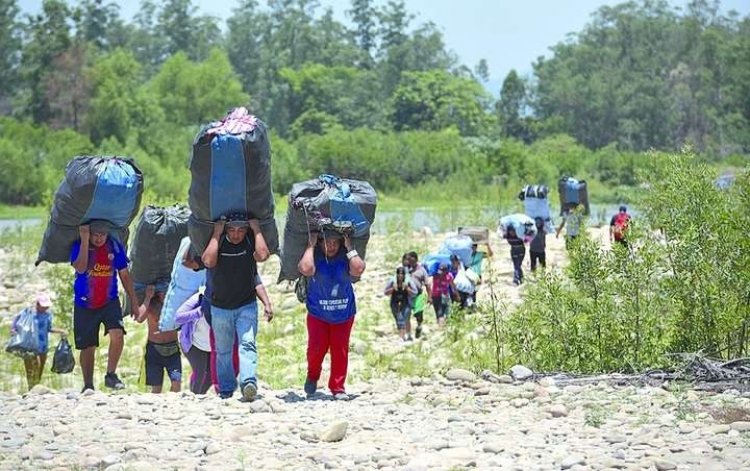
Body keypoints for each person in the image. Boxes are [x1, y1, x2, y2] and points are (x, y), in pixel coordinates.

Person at [201, 214, 273, 400]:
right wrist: (217, 232)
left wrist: (256, 229)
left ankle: (248, 381)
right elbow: (208, 261)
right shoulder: (219, 243)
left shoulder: (249, 242)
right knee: (223, 350)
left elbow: (263, 257)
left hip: (246, 305)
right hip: (220, 307)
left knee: (247, 343)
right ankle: (226, 388)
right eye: (232, 230)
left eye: (241, 230)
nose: (236, 234)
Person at [71, 221, 139, 392]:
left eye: (103, 235)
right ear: (89, 233)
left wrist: (134, 301)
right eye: (95, 235)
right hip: (84, 303)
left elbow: (124, 274)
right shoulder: (79, 245)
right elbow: (80, 268)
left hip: (110, 301)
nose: (100, 238)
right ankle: (88, 385)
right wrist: (85, 240)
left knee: (118, 334)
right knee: (88, 346)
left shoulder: (114, 246)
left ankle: (111, 375)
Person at [298, 231, 365, 400]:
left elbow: (358, 270)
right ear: (321, 243)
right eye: (327, 242)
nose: (332, 246)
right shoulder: (315, 255)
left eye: (335, 242)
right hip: (318, 313)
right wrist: (310, 245)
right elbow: (306, 269)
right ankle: (313, 375)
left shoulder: (346, 255)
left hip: (344, 313)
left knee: (340, 350)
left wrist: (350, 247)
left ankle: (337, 387)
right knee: (316, 349)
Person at [10, 293, 67, 390]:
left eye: (46, 306)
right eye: (43, 306)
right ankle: (31, 387)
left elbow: (49, 328)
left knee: (40, 367)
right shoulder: (28, 313)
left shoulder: (48, 315)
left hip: (43, 345)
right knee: (33, 365)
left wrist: (61, 331)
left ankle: (36, 386)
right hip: (29, 344)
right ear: (37, 304)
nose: (45, 308)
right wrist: (13, 329)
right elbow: (17, 320)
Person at [137, 285, 181, 393]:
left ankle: (173, 406)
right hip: (154, 351)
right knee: (156, 387)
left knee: (176, 383)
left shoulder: (175, 304)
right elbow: (139, 318)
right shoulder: (151, 305)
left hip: (173, 351)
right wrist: (148, 297)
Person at [174, 290, 212, 394]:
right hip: (192, 342)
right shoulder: (198, 299)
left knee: (212, 374)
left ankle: (200, 395)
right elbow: (178, 317)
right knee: (200, 371)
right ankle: (195, 397)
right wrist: (198, 312)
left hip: (211, 345)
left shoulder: (226, 301)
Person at [384, 266, 416, 342]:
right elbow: (385, 292)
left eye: (402, 274)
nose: (400, 276)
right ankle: (403, 335)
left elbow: (415, 292)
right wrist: (392, 289)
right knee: (398, 319)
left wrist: (408, 289)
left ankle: (402, 336)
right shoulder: (392, 281)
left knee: (403, 318)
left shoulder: (408, 282)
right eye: (399, 274)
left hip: (406, 302)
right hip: (395, 302)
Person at [405, 252, 430, 339]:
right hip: (407, 295)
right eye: (408, 260)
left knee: (418, 314)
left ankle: (419, 326)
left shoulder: (422, 270)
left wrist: (429, 297)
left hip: (418, 296)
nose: (409, 262)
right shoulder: (406, 270)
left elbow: (427, 284)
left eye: (411, 260)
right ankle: (407, 333)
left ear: (415, 259)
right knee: (406, 314)